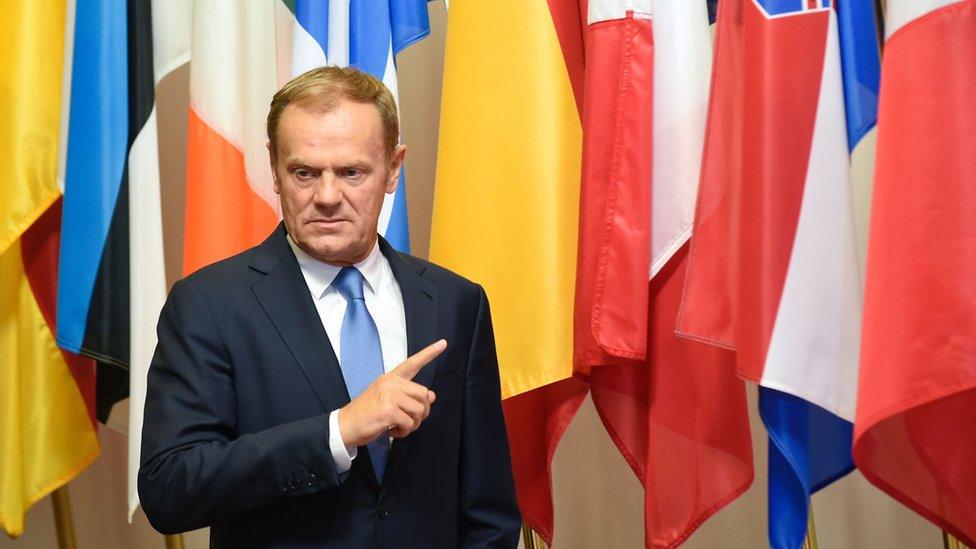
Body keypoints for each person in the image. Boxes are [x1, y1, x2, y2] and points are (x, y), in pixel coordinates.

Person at [138, 66, 521, 548]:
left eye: (351, 172)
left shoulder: (455, 302)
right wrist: (337, 432)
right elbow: (169, 489)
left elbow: (489, 514)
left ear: (393, 168)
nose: (326, 197)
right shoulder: (209, 305)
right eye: (304, 172)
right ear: (275, 169)